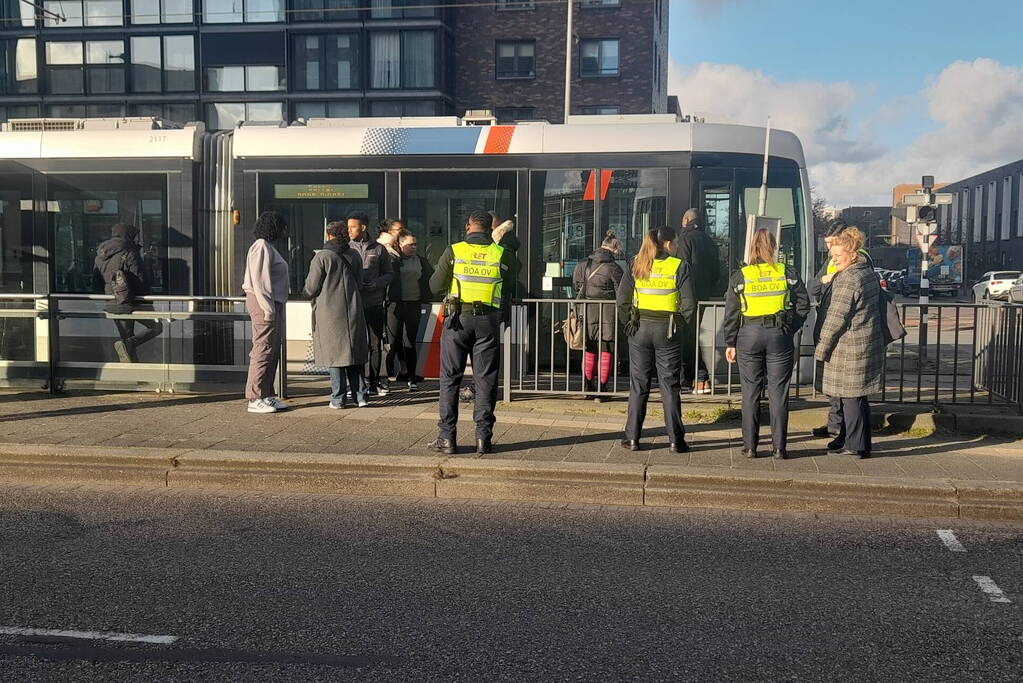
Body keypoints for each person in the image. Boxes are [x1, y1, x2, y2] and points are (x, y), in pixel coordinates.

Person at [427, 210, 514, 455]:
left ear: (468, 226)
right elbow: (512, 279)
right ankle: (483, 439)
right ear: (490, 228)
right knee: (485, 380)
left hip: (457, 321)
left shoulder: (454, 251)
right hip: (487, 321)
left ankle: (447, 439)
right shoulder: (501, 253)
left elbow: (434, 286)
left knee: (450, 379)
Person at [723, 229, 810, 459]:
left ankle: (750, 446)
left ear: (752, 247)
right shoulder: (786, 272)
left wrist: (730, 342)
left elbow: (731, 313)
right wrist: (791, 326)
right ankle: (779, 448)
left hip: (748, 335)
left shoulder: (741, 275)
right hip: (779, 334)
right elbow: (804, 304)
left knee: (750, 392)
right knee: (778, 393)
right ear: (774, 247)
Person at [615, 225, 696, 452]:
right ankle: (676, 441)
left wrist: (628, 324)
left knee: (638, 385)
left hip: (639, 329)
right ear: (668, 244)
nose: (678, 245)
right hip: (667, 330)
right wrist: (680, 327)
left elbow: (622, 300)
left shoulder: (637, 263)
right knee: (670, 385)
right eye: (676, 242)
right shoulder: (679, 266)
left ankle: (632, 438)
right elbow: (689, 304)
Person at [815, 227, 885, 459]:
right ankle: (854, 440)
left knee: (850, 397)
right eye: (832, 257)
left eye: (837, 256)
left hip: (849, 348)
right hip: (864, 343)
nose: (833, 261)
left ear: (852, 254)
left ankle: (855, 446)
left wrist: (821, 349)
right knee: (857, 396)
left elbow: (836, 318)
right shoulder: (867, 272)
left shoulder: (848, 279)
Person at [304, 222, 369, 409]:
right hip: (354, 309)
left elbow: (311, 287)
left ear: (329, 236)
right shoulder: (354, 254)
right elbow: (360, 281)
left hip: (330, 312)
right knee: (354, 353)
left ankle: (338, 398)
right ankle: (361, 396)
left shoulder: (322, 257)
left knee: (336, 356)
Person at [241, 210, 290, 414]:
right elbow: (259, 282)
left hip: (270, 303)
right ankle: (255, 397)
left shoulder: (266, 247)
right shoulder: (261, 247)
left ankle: (266, 394)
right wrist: (268, 309)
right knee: (263, 349)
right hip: (265, 304)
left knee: (271, 350)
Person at [94, 222, 163, 363]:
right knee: (156, 326)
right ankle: (130, 345)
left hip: (112, 303)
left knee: (126, 341)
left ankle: (136, 377)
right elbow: (140, 279)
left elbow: (96, 283)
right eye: (134, 237)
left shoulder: (99, 256)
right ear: (128, 236)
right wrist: (148, 299)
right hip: (131, 302)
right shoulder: (130, 252)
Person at [572, 231, 624, 401]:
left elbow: (577, 287)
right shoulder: (614, 268)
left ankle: (587, 387)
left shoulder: (582, 265)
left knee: (589, 350)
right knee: (606, 351)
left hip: (586, 313)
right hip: (608, 315)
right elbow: (621, 293)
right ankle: (602, 390)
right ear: (614, 248)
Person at [348, 211, 394, 396]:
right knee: (354, 345)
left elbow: (389, 274)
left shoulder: (379, 249)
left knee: (375, 344)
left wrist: (376, 284)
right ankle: (357, 383)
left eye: (353, 227)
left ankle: (374, 381)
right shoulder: (347, 249)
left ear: (363, 228)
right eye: (348, 226)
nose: (349, 230)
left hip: (374, 303)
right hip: (353, 305)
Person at [676, 208, 721, 395]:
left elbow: (681, 268)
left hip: (687, 296)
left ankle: (701, 377)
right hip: (703, 295)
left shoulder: (685, 239)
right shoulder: (710, 242)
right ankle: (688, 377)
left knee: (688, 337)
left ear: (686, 220)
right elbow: (716, 273)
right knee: (689, 336)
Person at [387, 230, 434, 391]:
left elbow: (430, 278)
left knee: (410, 340)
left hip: (414, 304)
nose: (414, 247)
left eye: (415, 244)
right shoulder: (392, 260)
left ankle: (412, 377)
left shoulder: (420, 261)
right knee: (393, 342)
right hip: (395, 304)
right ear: (400, 244)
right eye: (410, 244)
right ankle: (392, 374)